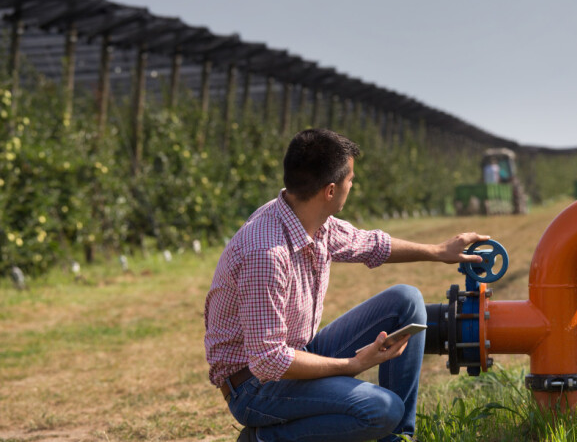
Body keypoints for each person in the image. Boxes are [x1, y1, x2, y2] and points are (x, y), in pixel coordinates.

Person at [204, 128, 489, 442]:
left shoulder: (312, 221)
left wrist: (438, 252)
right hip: (254, 387)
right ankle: (263, 439)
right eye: (350, 179)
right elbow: (268, 360)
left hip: (295, 354)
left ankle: (398, 439)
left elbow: (371, 244)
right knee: (380, 409)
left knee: (407, 301)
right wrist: (352, 364)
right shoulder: (266, 253)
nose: (352, 185)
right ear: (330, 190)